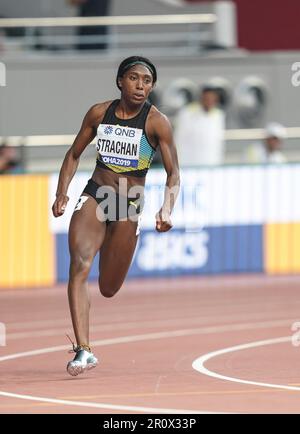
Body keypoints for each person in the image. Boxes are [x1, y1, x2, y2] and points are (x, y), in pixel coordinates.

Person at [52, 56, 180, 376]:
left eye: (147, 80)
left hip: (128, 202)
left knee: (109, 287)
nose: (141, 85)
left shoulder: (157, 122)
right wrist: (62, 192)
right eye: (134, 78)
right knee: (79, 265)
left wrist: (166, 208)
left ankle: (86, 347)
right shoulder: (99, 113)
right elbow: (74, 154)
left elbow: (173, 173)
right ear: (120, 81)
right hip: (96, 192)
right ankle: (84, 350)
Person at [174, 86, 225, 166]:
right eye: (207, 99)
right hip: (188, 164)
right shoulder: (187, 113)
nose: (210, 102)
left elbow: (217, 143)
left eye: (213, 99)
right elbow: (179, 140)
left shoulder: (218, 115)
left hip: (212, 164)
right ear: (201, 98)